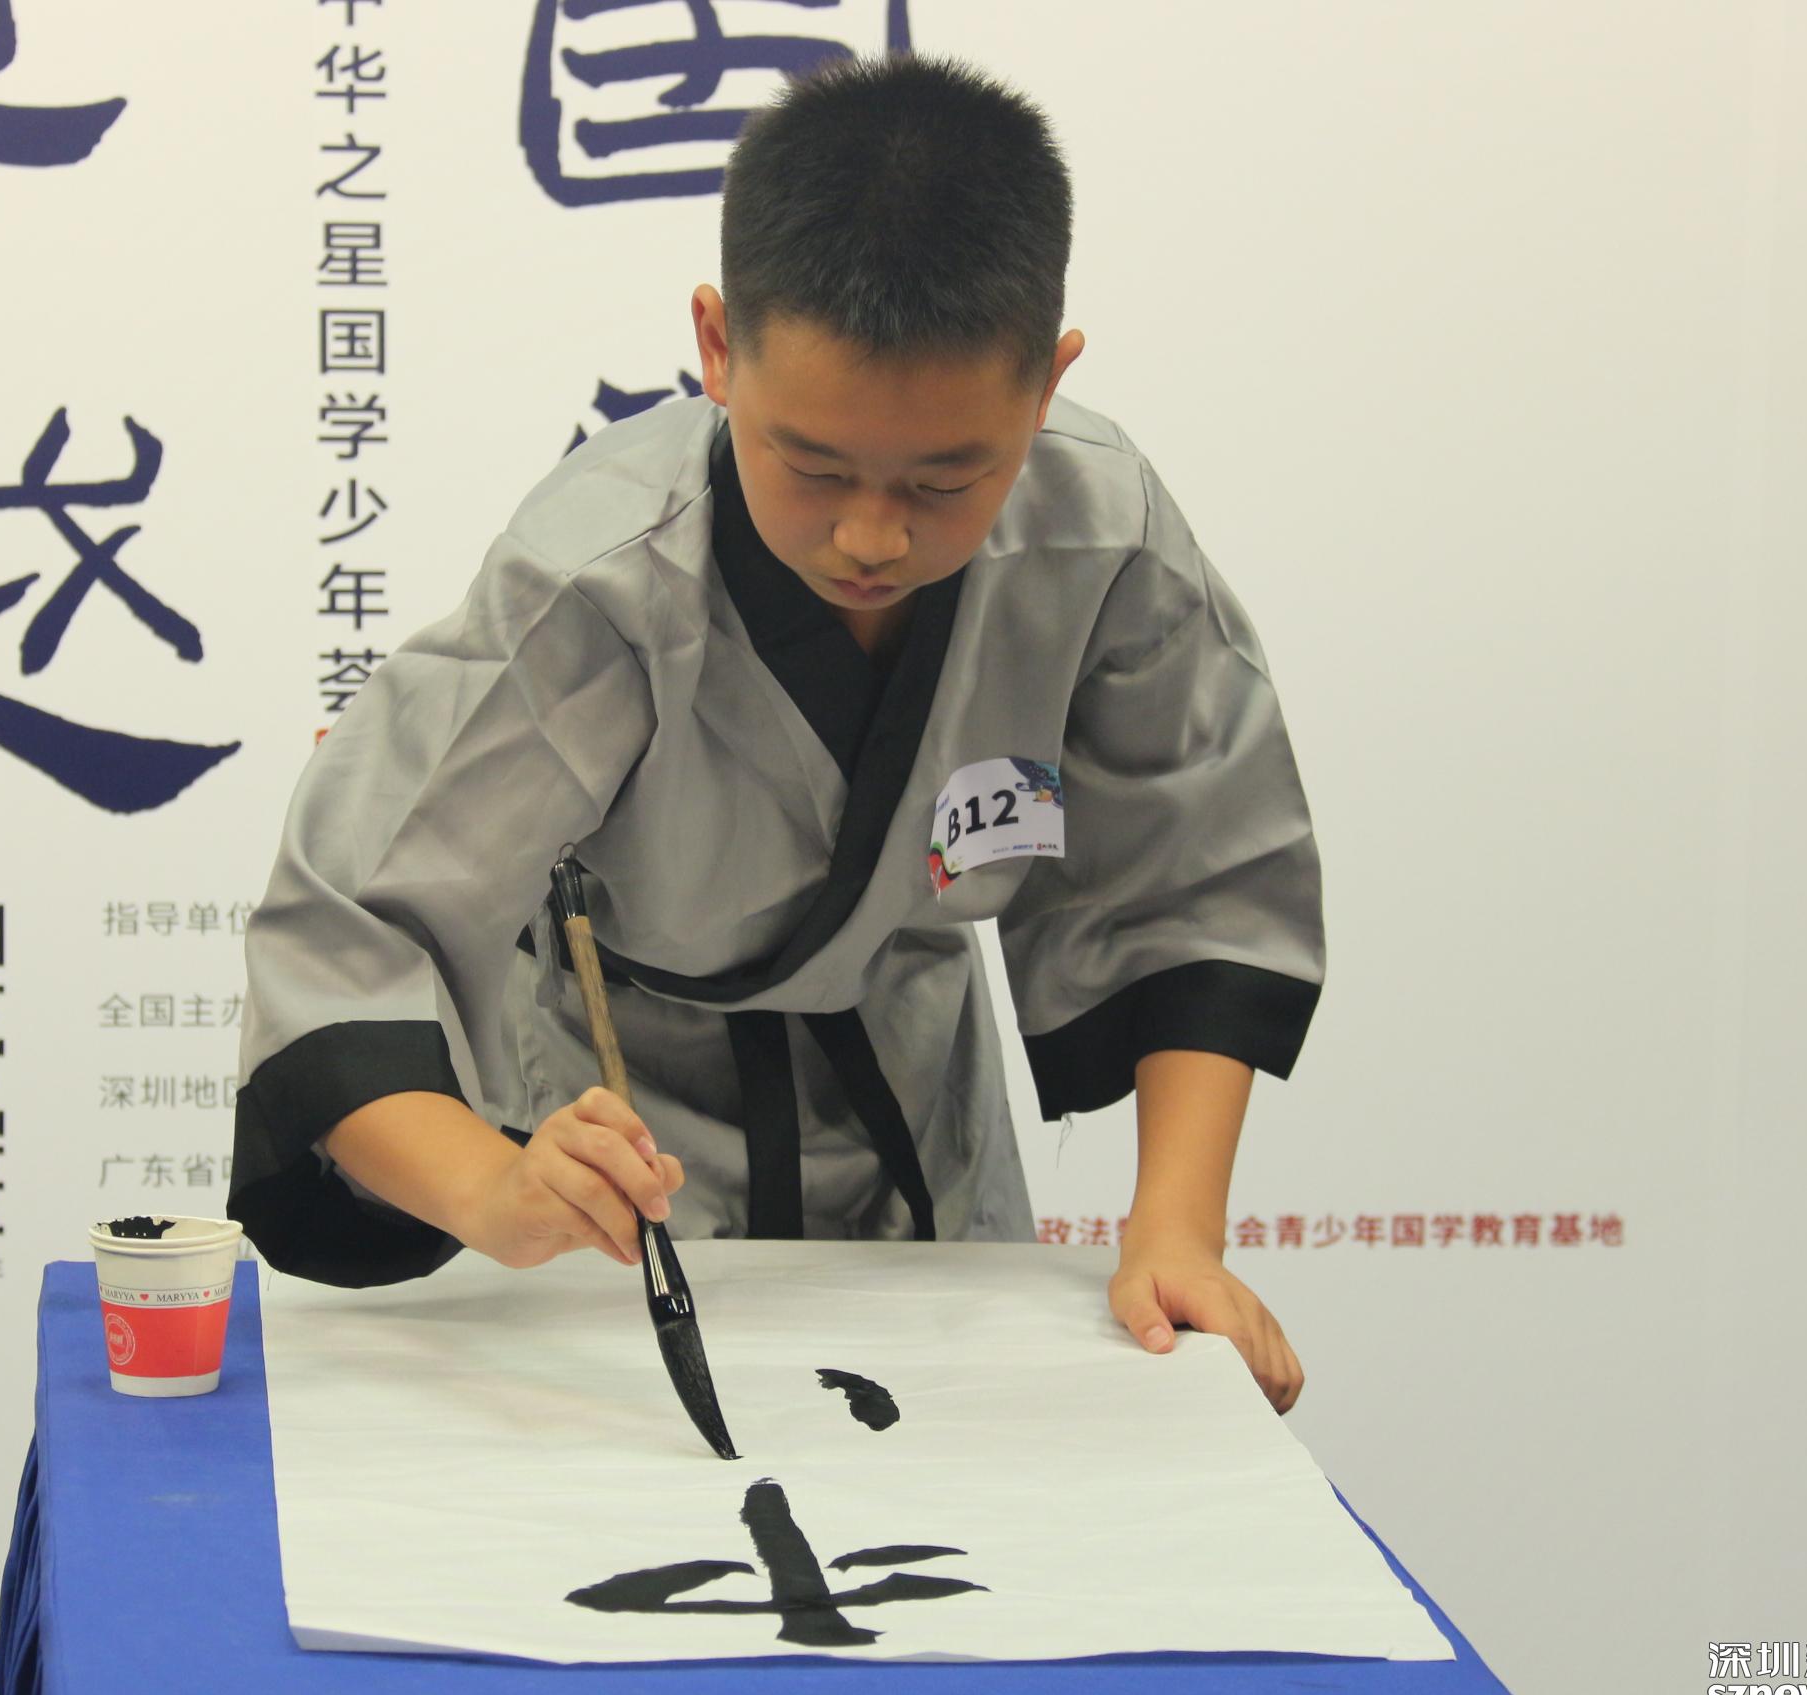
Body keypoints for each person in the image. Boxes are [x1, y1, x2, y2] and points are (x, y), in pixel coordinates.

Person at [227, 54, 1324, 1414]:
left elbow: (1193, 883)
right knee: (642, 1472)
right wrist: (499, 1191)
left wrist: (1176, 1235)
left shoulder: (1100, 537)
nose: (873, 536)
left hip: (918, 1093)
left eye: (947, 479)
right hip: (614, 1121)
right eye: (813, 465)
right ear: (717, 347)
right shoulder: (600, 577)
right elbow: (347, 935)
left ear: (1047, 384)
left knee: (954, 1474)